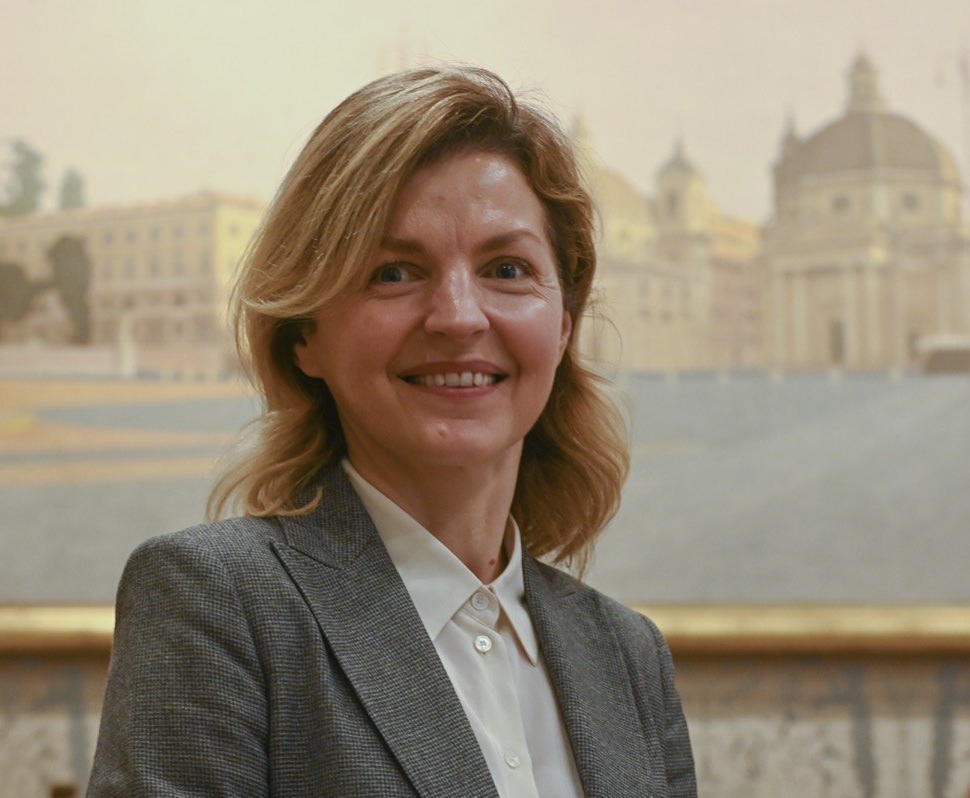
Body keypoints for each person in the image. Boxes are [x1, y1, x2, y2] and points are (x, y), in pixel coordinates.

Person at [88, 64, 697, 798]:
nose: (459, 317)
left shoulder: (630, 657)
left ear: (564, 327)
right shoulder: (217, 604)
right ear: (305, 334)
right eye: (394, 273)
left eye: (507, 268)